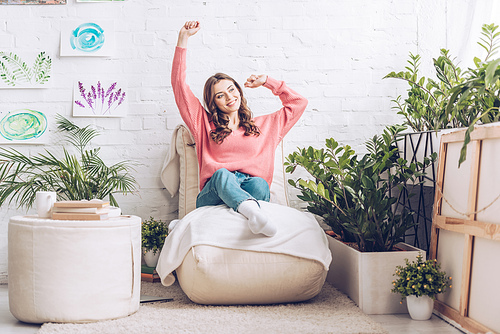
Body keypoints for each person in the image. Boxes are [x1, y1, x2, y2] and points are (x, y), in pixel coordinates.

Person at [172, 21, 308, 237]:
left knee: (260, 184)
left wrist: (268, 81)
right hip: (213, 195)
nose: (229, 97)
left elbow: (299, 103)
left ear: (239, 91)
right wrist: (183, 39)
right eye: (220, 95)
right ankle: (252, 213)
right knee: (222, 175)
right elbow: (179, 85)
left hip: (252, 190)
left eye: (231, 90)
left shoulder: (266, 126)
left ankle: (244, 216)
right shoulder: (204, 124)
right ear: (213, 102)